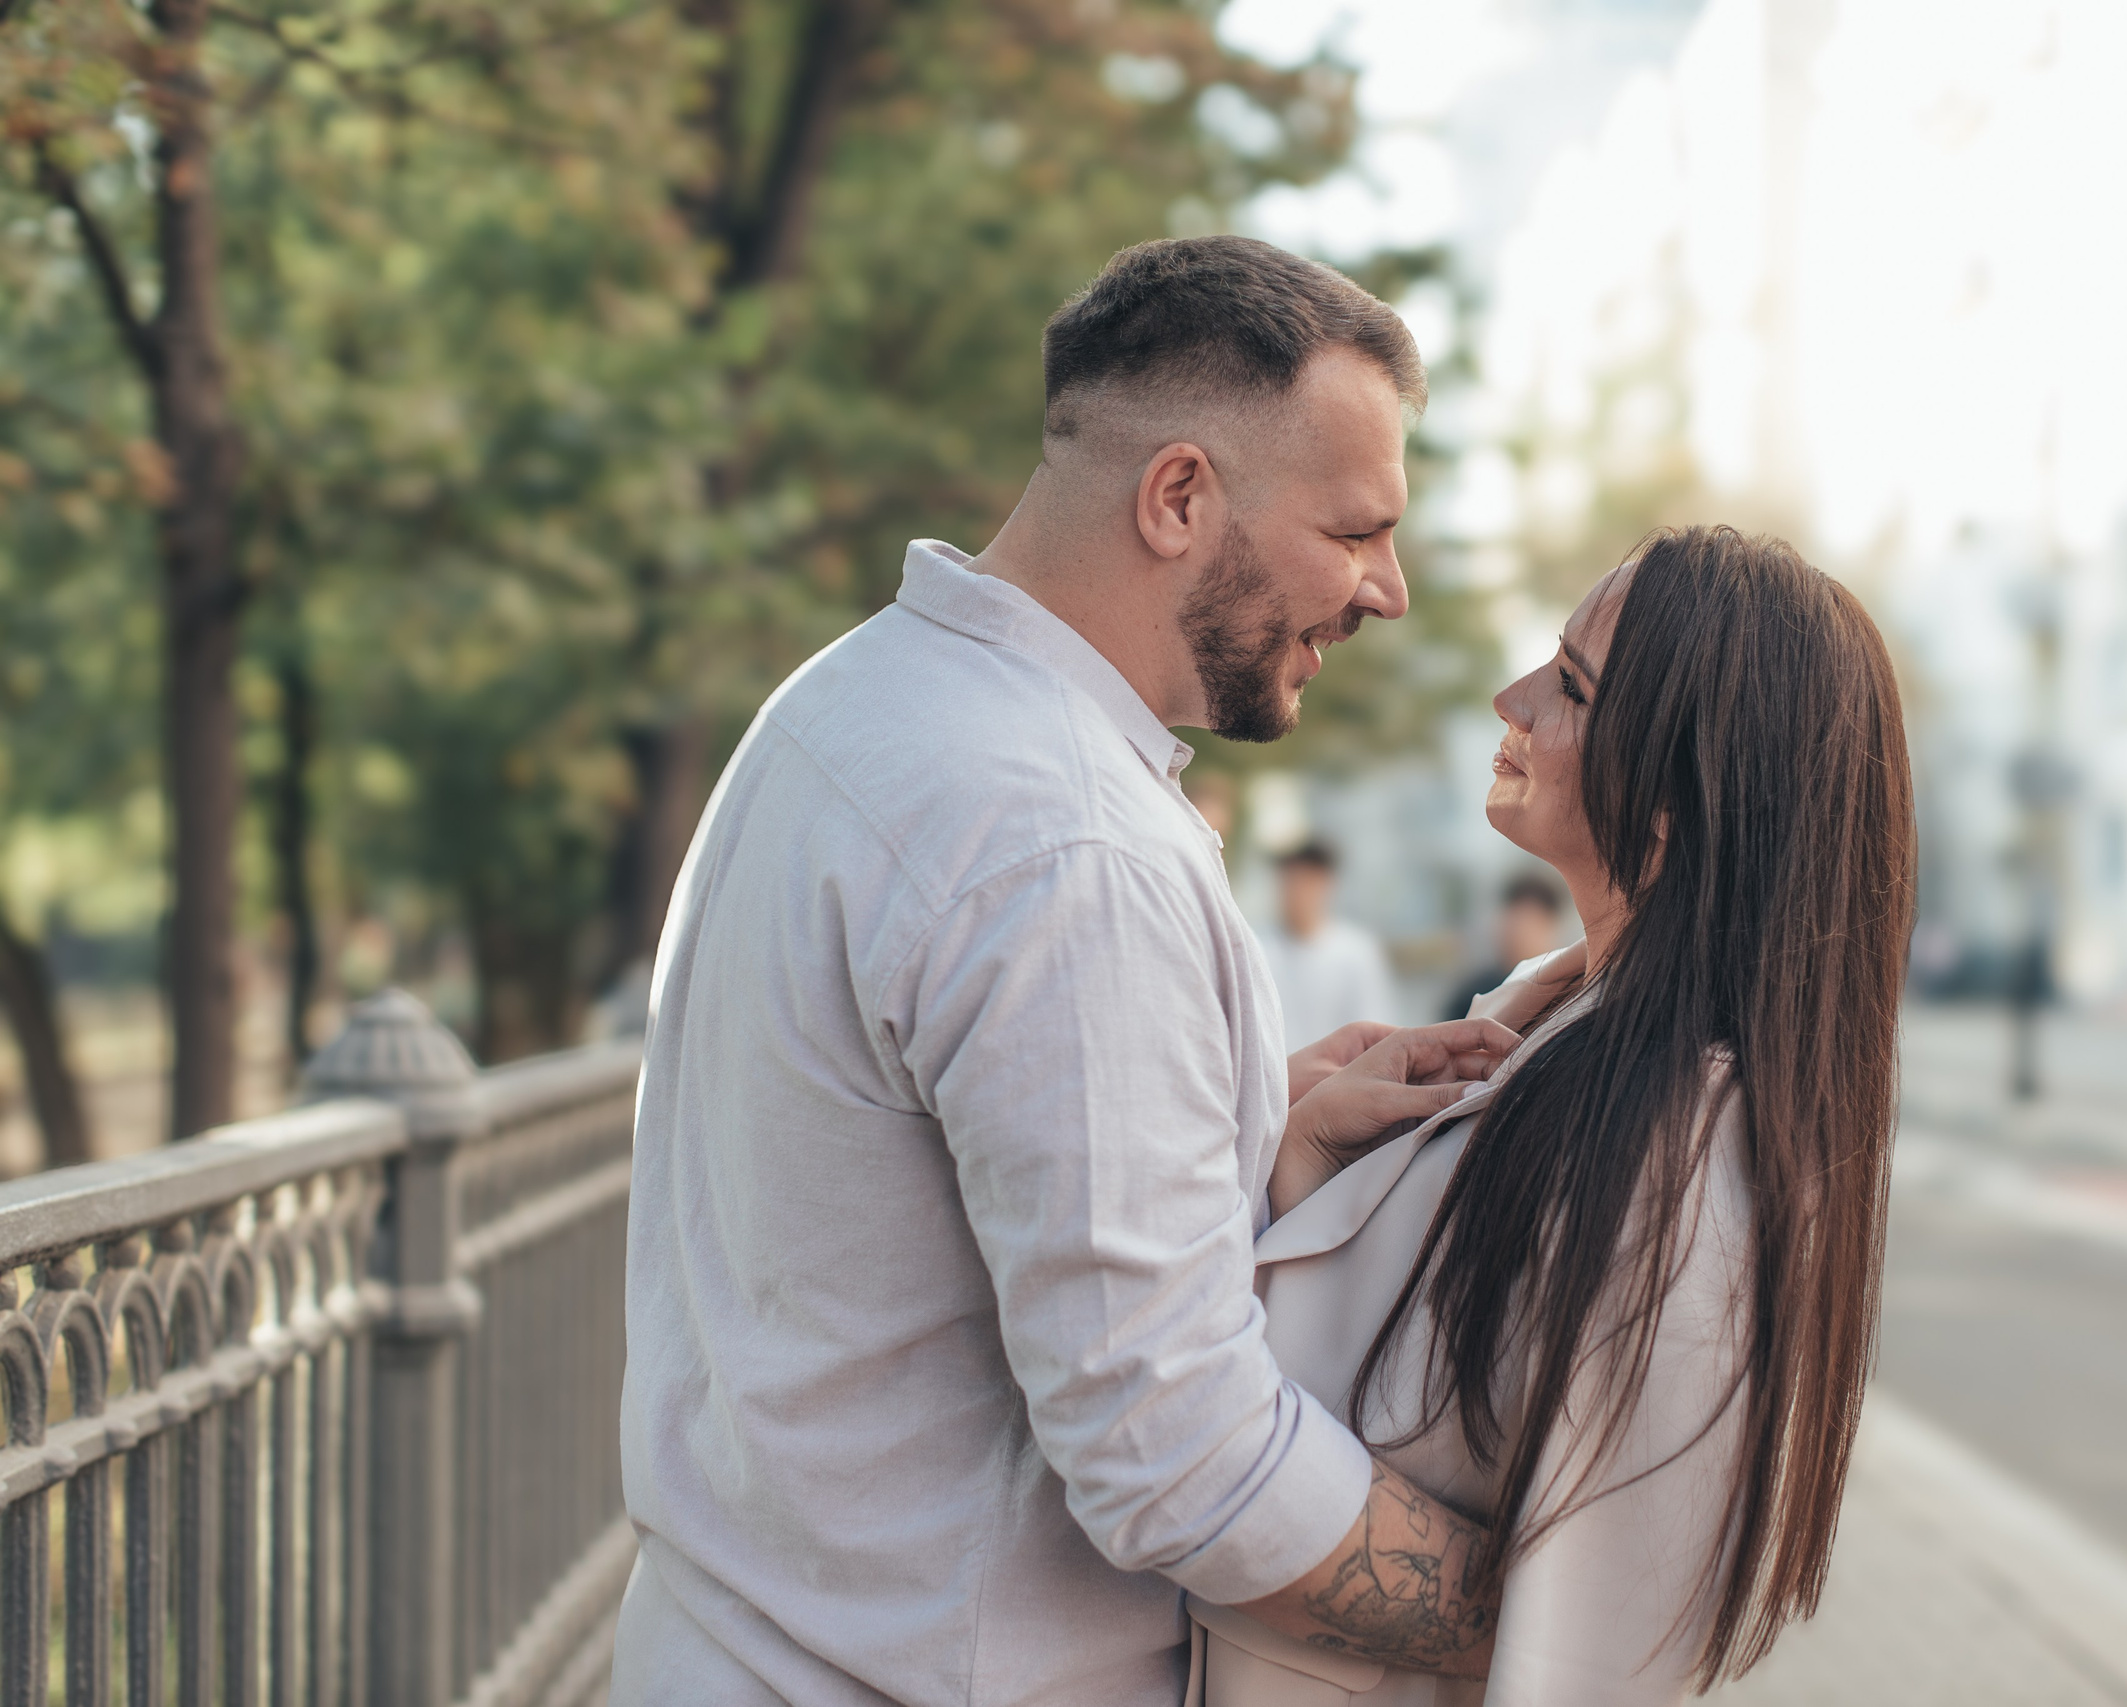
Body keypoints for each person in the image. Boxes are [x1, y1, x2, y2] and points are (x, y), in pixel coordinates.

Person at [615, 236, 1522, 1707]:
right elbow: (1177, 1453)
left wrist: (1251, 1133)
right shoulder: (1061, 842)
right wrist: (1525, 1614)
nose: (1389, 590)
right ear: (1178, 497)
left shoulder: (845, 703)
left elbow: (887, 1187)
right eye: (1357, 529)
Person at [1190, 525, 1916, 1704]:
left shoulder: (1685, 1160)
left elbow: (1591, 1647)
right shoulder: (1545, 1030)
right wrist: (1299, 1158)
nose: (1511, 697)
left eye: (1570, 686)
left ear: (1678, 801)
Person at [1261, 838, 1397, 1050]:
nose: (1296, 891)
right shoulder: (1260, 948)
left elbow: (1374, 1028)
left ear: (1327, 884)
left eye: (1306, 881)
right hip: (1277, 1078)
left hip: (1341, 1077)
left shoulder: (1356, 952)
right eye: (1290, 880)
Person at [1441, 873, 1566, 1021]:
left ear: (1550, 926)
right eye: (1513, 925)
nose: (1518, 936)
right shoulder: (1475, 995)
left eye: (1528, 926)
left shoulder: (1567, 992)